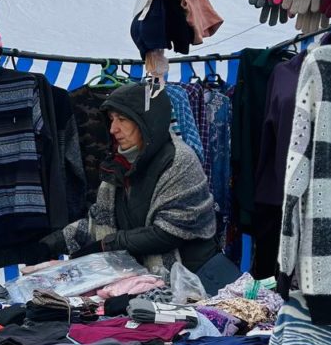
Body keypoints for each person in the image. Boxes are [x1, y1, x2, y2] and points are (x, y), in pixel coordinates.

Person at [38, 82, 218, 272]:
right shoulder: (119, 162)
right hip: (143, 277)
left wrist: (107, 245)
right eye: (111, 119)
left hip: (190, 278)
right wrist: (51, 243)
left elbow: (168, 233)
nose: (113, 129)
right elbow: (100, 220)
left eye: (122, 119)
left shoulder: (179, 161)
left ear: (147, 121)